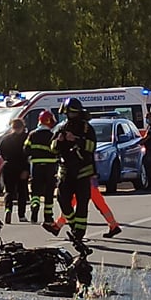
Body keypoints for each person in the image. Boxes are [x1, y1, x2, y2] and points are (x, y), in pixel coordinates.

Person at [51, 98, 96, 246]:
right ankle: (73, 225)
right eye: (67, 113)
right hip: (65, 171)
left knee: (82, 204)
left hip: (83, 171)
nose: (69, 116)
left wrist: (76, 140)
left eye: (72, 113)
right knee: (62, 200)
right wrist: (58, 141)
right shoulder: (61, 128)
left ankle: (79, 233)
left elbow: (92, 147)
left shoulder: (87, 129)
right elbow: (52, 148)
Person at [45, 175, 121, 238]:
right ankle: (113, 225)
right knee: (100, 203)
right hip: (89, 179)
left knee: (71, 204)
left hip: (84, 180)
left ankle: (58, 226)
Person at [24, 110, 58, 224]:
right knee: (49, 191)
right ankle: (48, 216)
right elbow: (57, 150)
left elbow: (26, 149)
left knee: (36, 190)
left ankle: (35, 206)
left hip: (36, 167)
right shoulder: (53, 135)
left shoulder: (32, 134)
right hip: (50, 167)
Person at [0, 118, 29, 224]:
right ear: (22, 127)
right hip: (21, 167)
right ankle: (21, 215)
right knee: (22, 191)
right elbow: (28, 154)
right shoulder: (26, 138)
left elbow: (2, 152)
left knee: (9, 191)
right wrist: (26, 169)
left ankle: (8, 209)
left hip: (8, 166)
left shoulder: (6, 139)